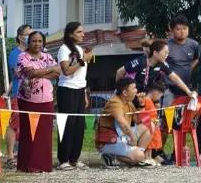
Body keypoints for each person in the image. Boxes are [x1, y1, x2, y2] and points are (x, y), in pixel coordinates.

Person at [16, 31, 59, 173]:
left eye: (40, 41)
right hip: (28, 99)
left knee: (45, 134)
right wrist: (49, 70)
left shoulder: (47, 56)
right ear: (29, 42)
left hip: (46, 98)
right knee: (29, 132)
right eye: (34, 41)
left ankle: (43, 165)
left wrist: (44, 70)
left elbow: (57, 72)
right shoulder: (22, 56)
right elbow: (30, 72)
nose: (37, 44)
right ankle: (27, 165)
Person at [56, 22, 92, 171]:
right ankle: (63, 159)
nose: (82, 34)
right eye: (79, 32)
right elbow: (66, 71)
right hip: (67, 90)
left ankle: (74, 158)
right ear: (70, 34)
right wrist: (83, 61)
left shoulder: (79, 49)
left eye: (82, 31)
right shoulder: (64, 49)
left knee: (78, 125)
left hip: (79, 89)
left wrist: (84, 93)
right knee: (67, 124)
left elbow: (80, 75)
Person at [97, 78, 151, 167]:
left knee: (149, 125)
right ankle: (109, 155)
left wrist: (141, 104)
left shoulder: (128, 102)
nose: (136, 90)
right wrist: (133, 138)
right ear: (125, 93)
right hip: (109, 140)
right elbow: (121, 122)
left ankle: (136, 154)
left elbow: (138, 121)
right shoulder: (115, 103)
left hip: (122, 136)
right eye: (134, 88)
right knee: (140, 156)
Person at [116, 40, 196, 99]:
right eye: (165, 52)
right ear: (155, 53)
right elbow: (119, 72)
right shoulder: (139, 62)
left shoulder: (162, 65)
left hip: (143, 96)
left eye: (168, 53)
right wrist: (118, 90)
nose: (166, 55)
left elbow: (175, 78)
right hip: (128, 96)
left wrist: (188, 91)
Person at [5, 24, 32, 167]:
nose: (31, 37)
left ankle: (22, 152)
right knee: (14, 124)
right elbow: (16, 72)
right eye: (28, 35)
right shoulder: (15, 54)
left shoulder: (32, 53)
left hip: (32, 94)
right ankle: (9, 154)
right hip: (18, 93)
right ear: (21, 37)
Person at [166, 16, 199, 103]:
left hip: (187, 88)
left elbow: (196, 58)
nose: (182, 31)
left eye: (184, 28)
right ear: (172, 30)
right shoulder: (166, 46)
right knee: (169, 114)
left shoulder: (194, 44)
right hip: (170, 88)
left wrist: (189, 68)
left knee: (188, 114)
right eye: (178, 29)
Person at [141, 79, 166, 164]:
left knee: (151, 144)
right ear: (156, 93)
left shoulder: (150, 102)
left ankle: (149, 158)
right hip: (149, 124)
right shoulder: (147, 101)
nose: (159, 98)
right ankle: (146, 158)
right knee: (149, 144)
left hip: (152, 124)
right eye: (160, 96)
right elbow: (146, 114)